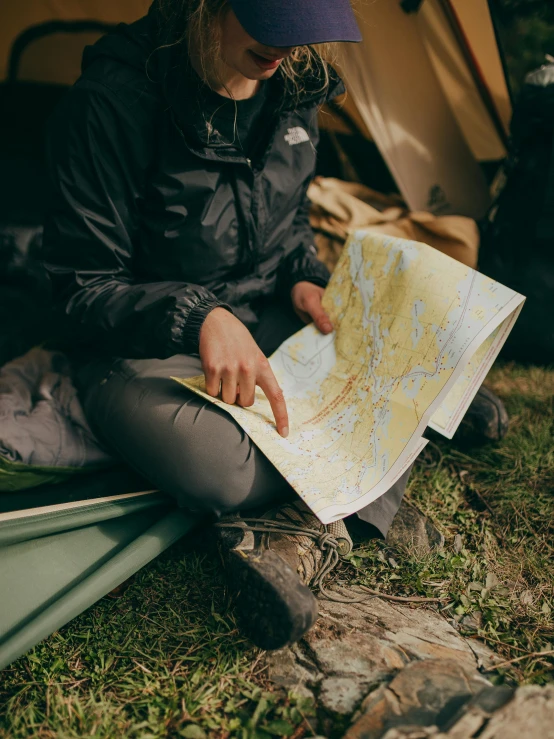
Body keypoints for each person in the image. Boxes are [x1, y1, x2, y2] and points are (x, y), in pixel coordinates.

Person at [42, 0, 501, 650]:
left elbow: (286, 228)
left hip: (263, 312)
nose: (289, 47)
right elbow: (79, 287)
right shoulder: (114, 100)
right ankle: (399, 437)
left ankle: (295, 529)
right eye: (273, 24)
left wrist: (303, 278)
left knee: (390, 341)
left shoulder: (295, 86)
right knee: (218, 470)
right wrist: (197, 315)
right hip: (143, 342)